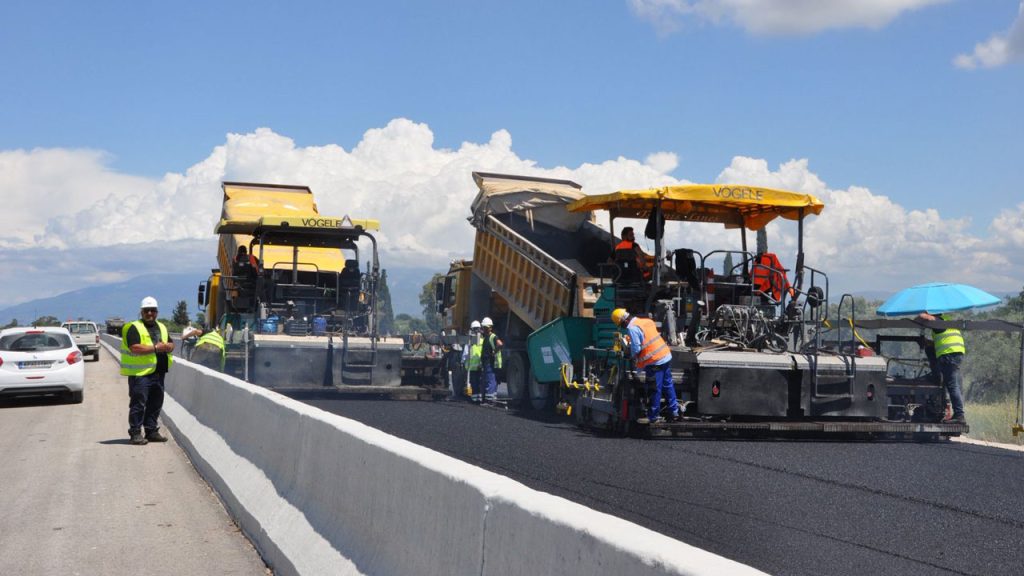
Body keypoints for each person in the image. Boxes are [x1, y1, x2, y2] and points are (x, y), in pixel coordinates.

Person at [120, 296, 175, 445]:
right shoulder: (133, 327)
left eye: (153, 311)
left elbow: (170, 343)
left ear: (157, 312)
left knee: (155, 403)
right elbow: (135, 347)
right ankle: (135, 433)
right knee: (138, 403)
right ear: (141, 312)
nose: (150, 313)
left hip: (159, 372)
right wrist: (156, 348)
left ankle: (151, 431)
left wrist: (169, 346)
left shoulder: (162, 327)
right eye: (146, 311)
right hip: (141, 374)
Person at [612, 308, 679, 423]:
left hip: (654, 361)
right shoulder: (646, 321)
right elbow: (647, 337)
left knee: (655, 389)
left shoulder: (632, 329)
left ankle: (653, 416)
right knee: (668, 384)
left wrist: (631, 354)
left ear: (624, 321)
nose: (622, 327)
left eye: (621, 325)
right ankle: (674, 411)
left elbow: (637, 349)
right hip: (665, 355)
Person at [919, 311, 967, 424]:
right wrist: (928, 343)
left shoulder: (938, 322)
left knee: (952, 385)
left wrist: (922, 313)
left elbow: (926, 318)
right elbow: (942, 341)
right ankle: (958, 414)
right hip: (955, 354)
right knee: (951, 384)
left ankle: (959, 416)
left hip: (949, 355)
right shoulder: (947, 320)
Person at [479, 317, 503, 403]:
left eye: (485, 327)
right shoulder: (487, 337)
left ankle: (490, 400)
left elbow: (500, 344)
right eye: (483, 327)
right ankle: (490, 398)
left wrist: (494, 352)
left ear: (490, 328)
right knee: (488, 379)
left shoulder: (492, 337)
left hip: (490, 362)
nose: (484, 329)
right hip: (487, 362)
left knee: (490, 379)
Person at [462, 320, 483, 402]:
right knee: (479, 382)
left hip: (472, 366)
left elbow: (465, 353)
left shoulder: (470, 341)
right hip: (480, 366)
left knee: (473, 382)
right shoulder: (482, 340)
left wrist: (462, 361)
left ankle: (474, 398)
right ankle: (479, 397)